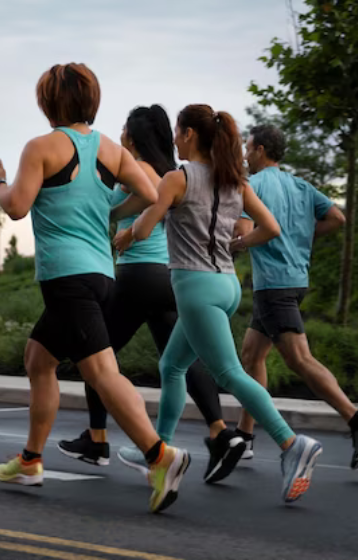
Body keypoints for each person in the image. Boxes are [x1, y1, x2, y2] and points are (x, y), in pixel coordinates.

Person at [0, 63, 190, 513]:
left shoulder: (41, 147)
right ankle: (32, 460)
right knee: (39, 359)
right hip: (100, 274)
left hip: (67, 278)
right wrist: (112, 214)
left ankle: (161, 456)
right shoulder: (111, 151)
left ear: (47, 101)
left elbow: (17, 207)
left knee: (100, 372)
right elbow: (154, 193)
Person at [118, 104, 323, 504]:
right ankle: (158, 449)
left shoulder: (178, 179)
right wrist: (237, 245)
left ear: (190, 134)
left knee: (229, 373)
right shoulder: (235, 181)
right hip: (227, 285)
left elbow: (145, 225)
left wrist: (125, 236)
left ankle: (291, 444)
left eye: (178, 132)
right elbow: (271, 228)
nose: (174, 138)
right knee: (172, 365)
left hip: (195, 287)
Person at [57, 105, 245, 484]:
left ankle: (97, 440)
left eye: (125, 128)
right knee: (179, 360)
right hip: (167, 279)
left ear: (134, 136)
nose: (121, 133)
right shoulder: (169, 172)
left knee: (95, 354)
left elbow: (113, 208)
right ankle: (220, 431)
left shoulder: (139, 171)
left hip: (138, 276)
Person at [234, 124, 358, 468]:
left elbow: (242, 231)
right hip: (295, 280)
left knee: (299, 359)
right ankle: (244, 435)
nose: (244, 155)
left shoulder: (253, 186)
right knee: (251, 354)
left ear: (259, 150)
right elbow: (337, 217)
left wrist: (235, 242)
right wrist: (301, 235)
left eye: (248, 148)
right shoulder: (301, 185)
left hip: (274, 285)